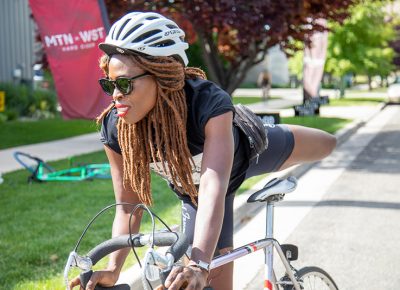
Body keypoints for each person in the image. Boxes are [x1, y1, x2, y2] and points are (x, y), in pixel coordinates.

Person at [69, 11, 336, 290]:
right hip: (195, 194)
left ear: (163, 75)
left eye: (124, 83)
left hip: (247, 152)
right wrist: (113, 269)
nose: (115, 95)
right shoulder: (116, 126)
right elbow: (128, 208)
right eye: (109, 84)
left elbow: (213, 186)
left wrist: (199, 264)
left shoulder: (206, 103)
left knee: (328, 144)